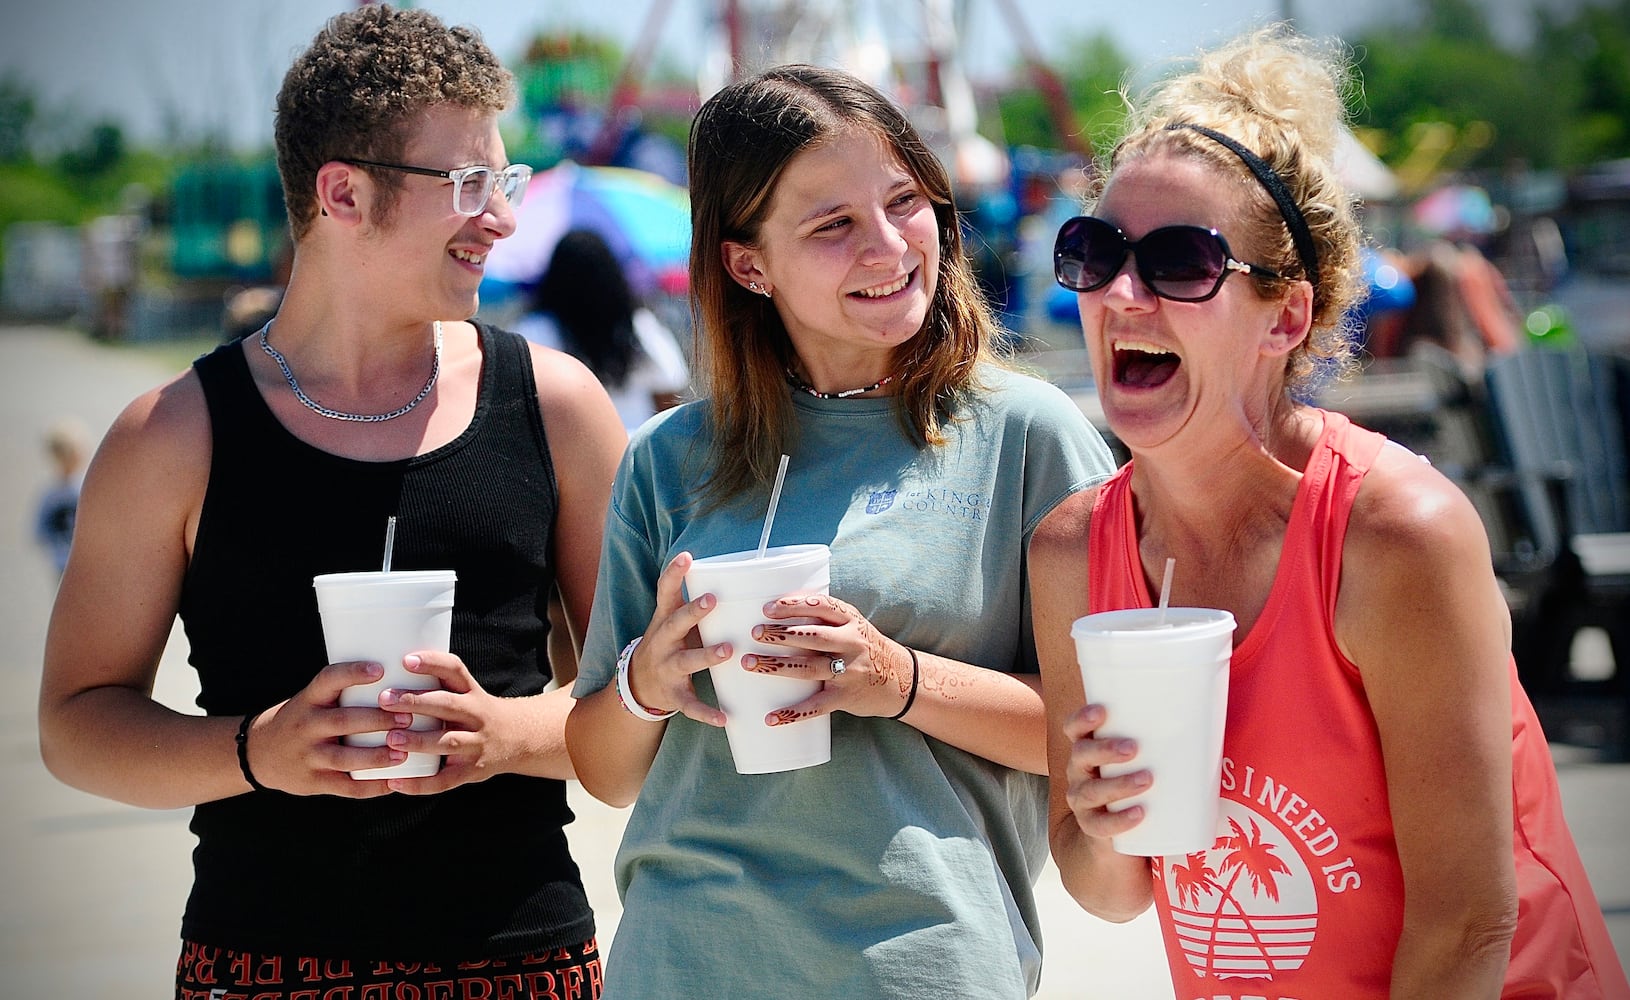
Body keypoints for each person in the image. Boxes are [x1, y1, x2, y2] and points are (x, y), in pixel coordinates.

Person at [38, 6, 627, 998]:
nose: (504, 217)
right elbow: (76, 724)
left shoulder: (557, 406)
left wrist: (500, 734)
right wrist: (257, 748)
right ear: (343, 193)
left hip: (523, 959)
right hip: (260, 963)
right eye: (470, 184)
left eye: (506, 181)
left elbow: (633, 717)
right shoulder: (172, 435)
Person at [1031, 26, 1629, 998]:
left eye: (1180, 261)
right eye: (1093, 252)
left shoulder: (1393, 535)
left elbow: (1468, 924)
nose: (1123, 293)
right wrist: (1099, 824)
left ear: (1286, 316)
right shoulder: (1070, 549)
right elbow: (1109, 893)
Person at [563, 64, 1117, 997]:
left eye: (906, 202)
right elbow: (604, 772)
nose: (890, 245)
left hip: (923, 963)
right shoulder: (667, 456)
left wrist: (897, 681)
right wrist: (646, 681)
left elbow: (1100, 732)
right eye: (833, 225)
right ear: (748, 264)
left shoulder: (1032, 436)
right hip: (681, 961)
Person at [518, 227, 690, 430]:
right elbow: (669, 387)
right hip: (633, 447)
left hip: (568, 454)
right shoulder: (637, 325)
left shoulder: (533, 331)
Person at [33, 417, 90, 580]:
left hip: (62, 560)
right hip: (82, 561)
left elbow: (39, 531)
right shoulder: (86, 486)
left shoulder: (49, 492)